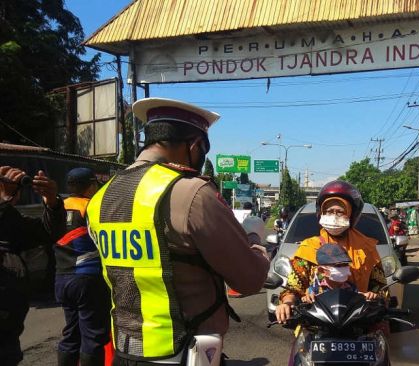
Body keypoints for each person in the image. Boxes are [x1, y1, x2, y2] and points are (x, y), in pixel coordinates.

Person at [85, 97, 269, 365]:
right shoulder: (191, 192)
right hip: (184, 350)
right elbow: (249, 280)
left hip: (125, 348)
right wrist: (255, 243)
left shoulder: (101, 197)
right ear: (194, 146)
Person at [275, 180, 387, 324]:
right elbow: (293, 288)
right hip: (317, 323)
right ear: (321, 214)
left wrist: (375, 297)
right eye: (328, 211)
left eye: (340, 212)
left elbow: (381, 289)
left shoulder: (366, 248)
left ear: (351, 215)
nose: (334, 216)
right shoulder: (309, 247)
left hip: (360, 322)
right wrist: (287, 303)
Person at [0, 166, 66, 366]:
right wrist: (3, 201)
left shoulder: (10, 219)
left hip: (8, 333)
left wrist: (52, 201)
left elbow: (48, 233)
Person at [53, 167, 110, 366]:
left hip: (62, 278)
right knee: (93, 337)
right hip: (87, 278)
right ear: (90, 186)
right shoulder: (92, 206)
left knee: (71, 333)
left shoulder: (57, 206)